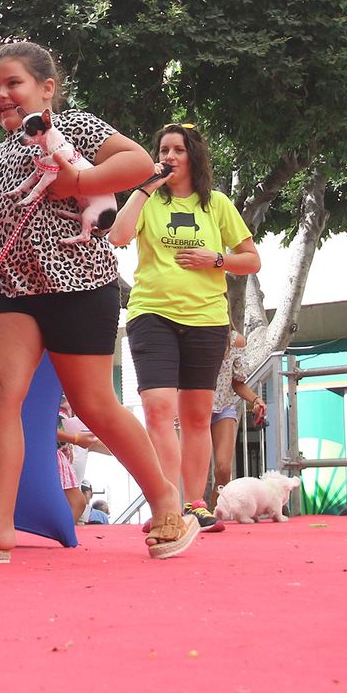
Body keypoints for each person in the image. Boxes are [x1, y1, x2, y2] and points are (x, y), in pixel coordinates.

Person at [0, 40, 197, 564]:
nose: (1, 94)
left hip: (80, 285)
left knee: (94, 404)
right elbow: (8, 226)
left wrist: (80, 180)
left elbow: (138, 162)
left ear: (46, 89)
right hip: (14, 291)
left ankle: (167, 501)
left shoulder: (75, 126)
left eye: (13, 84)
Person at [108, 122, 260, 533]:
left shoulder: (218, 205)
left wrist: (216, 260)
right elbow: (118, 236)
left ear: (193, 155)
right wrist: (143, 188)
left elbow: (251, 259)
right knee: (159, 410)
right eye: (163, 150)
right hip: (151, 313)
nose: (169, 157)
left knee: (197, 417)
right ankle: (167, 503)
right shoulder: (148, 200)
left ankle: (196, 503)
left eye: (177, 149)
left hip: (207, 319)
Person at [211, 329, 266, 495]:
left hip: (223, 407)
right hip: (193, 408)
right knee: (188, 467)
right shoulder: (189, 331)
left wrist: (256, 400)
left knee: (224, 469)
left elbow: (238, 383)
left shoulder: (236, 341)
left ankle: (215, 513)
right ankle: (184, 512)